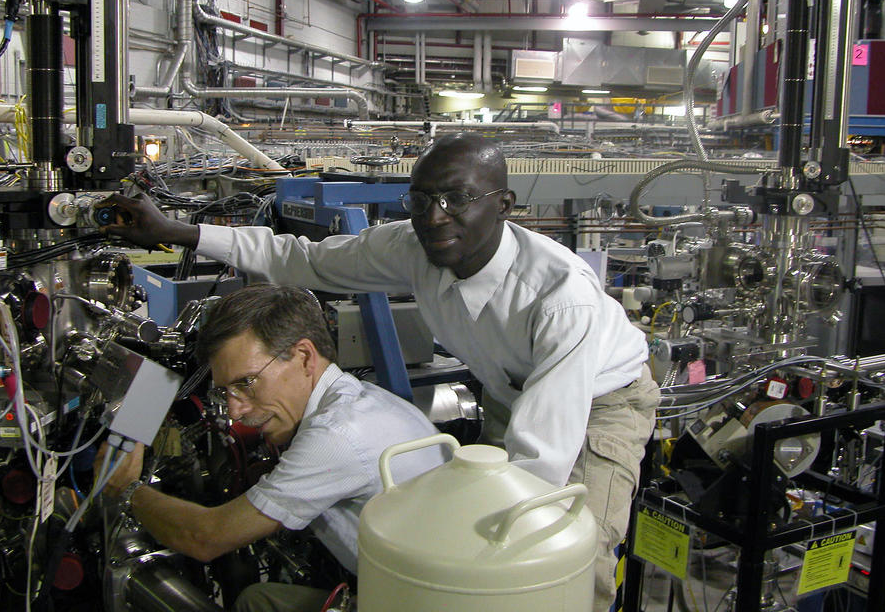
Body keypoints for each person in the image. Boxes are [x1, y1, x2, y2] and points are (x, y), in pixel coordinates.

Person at [102, 133, 660, 612]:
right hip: (509, 390)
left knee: (558, 559)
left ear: (504, 204)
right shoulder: (415, 246)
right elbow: (306, 259)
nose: (436, 215)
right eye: (421, 200)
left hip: (599, 405)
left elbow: (540, 463)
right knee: (484, 542)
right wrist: (179, 232)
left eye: (459, 198)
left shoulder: (563, 299)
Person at [96, 283, 446, 612]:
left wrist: (126, 490)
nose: (235, 410)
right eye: (225, 392)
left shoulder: (339, 435)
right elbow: (165, 369)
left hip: (417, 602)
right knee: (259, 598)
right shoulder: (359, 400)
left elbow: (205, 538)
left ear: (304, 357)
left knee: (254, 602)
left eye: (246, 383)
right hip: (409, 588)